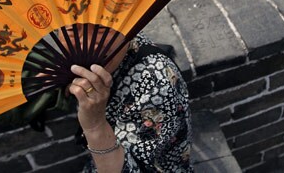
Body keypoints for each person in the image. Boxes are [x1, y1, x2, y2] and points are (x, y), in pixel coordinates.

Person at [68, 29, 193, 172]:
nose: (88, 45)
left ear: (126, 24)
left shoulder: (156, 83)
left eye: (102, 29)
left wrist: (95, 125)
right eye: (73, 30)